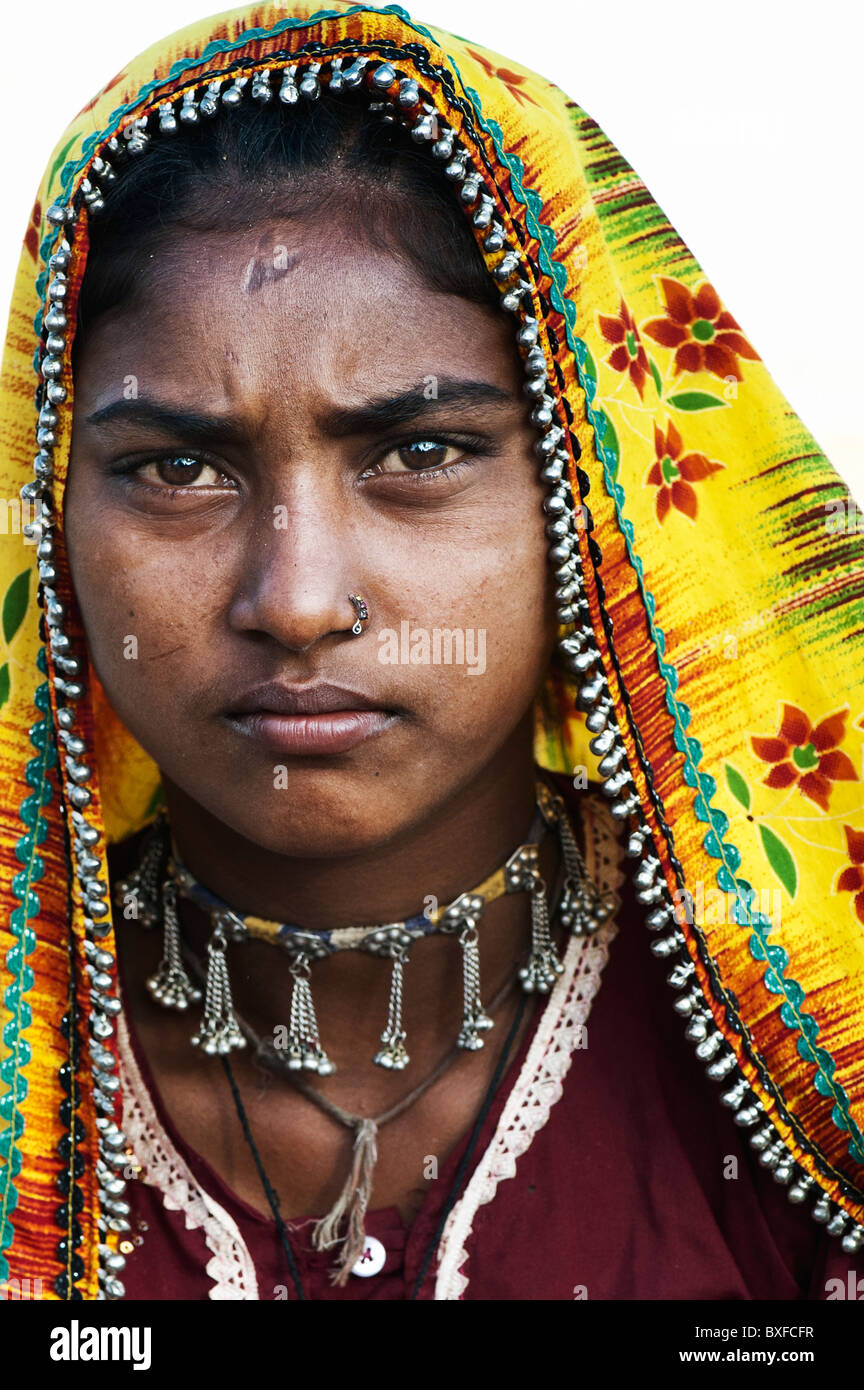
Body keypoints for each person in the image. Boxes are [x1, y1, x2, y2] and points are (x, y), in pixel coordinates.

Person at [1, 0, 862, 1303]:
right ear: (52, 515)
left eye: (419, 452)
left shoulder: (816, 1051)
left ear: (598, 489)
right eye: (175, 466)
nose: (295, 600)